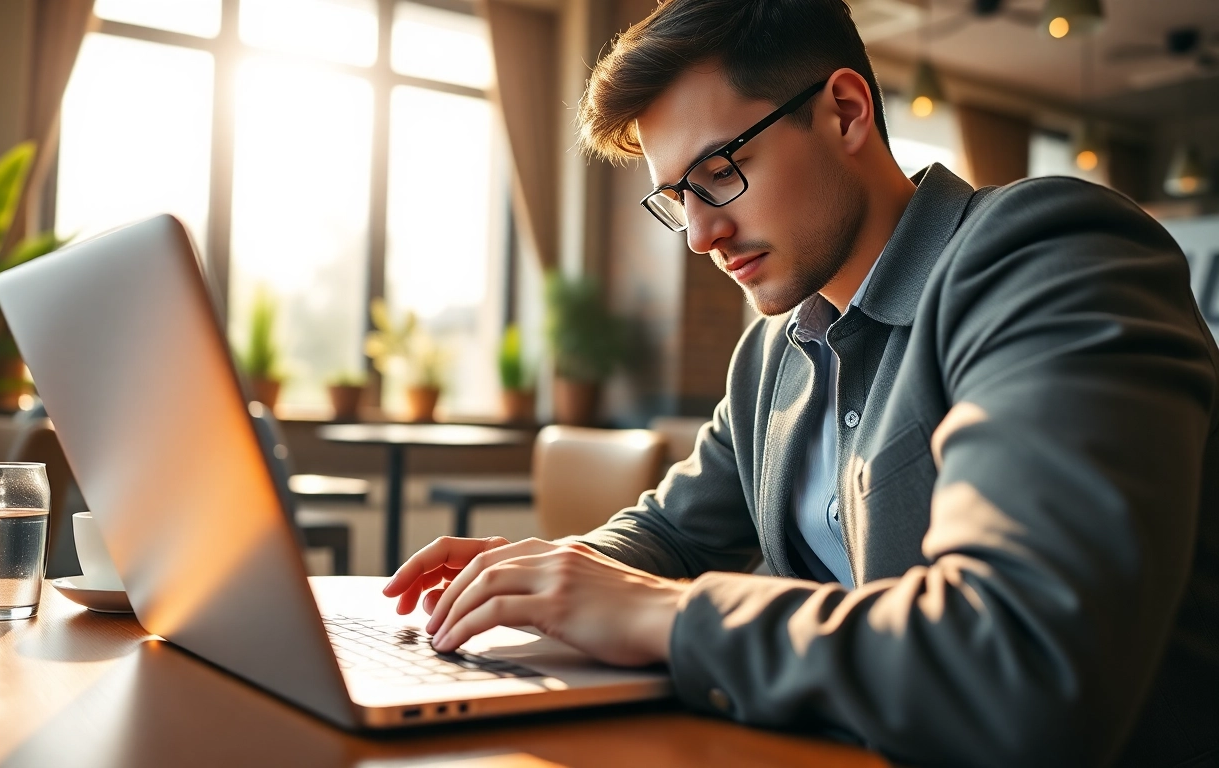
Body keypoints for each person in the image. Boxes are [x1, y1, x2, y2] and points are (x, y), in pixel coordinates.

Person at [382, 1, 1219, 764]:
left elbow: (1022, 661)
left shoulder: (1047, 254)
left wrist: (659, 615)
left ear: (846, 111)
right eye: (677, 198)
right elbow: (670, 536)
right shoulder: (769, 359)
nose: (701, 235)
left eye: (718, 171)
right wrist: (555, 573)